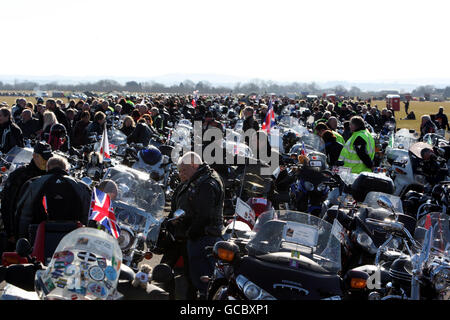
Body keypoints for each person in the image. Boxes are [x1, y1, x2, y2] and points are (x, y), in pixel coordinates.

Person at [171, 152, 224, 298]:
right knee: (192, 279)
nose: (181, 174)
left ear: (194, 165)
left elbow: (204, 215)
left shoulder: (207, 182)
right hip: (196, 236)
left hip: (204, 238)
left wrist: (190, 233)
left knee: (203, 282)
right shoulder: (198, 179)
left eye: (184, 170)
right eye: (179, 171)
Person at [14, 155, 92, 239]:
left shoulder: (34, 183)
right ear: (66, 169)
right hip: (72, 239)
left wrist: (22, 238)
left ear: (47, 168)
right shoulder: (80, 186)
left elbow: (25, 215)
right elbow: (88, 215)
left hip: (39, 239)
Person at [0, 142, 53, 249]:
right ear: (35, 156)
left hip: (45, 230)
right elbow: (8, 204)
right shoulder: (19, 175)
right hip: (22, 230)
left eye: (48, 158)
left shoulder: (51, 175)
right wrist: (10, 232)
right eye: (44, 158)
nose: (46, 161)